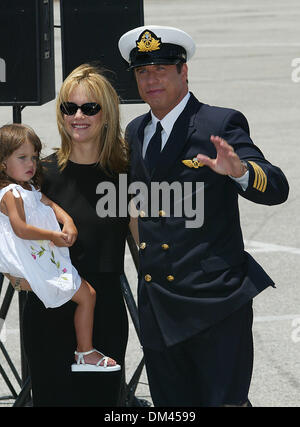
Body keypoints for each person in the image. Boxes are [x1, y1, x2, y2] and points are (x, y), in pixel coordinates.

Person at [118, 25, 289, 406]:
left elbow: (276, 186)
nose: (151, 79)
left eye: (162, 69)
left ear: (184, 72)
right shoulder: (136, 130)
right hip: (159, 303)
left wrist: (240, 172)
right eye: (143, 72)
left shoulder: (217, 123)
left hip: (214, 302)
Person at [8, 64, 130, 406]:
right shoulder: (38, 174)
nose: (78, 115)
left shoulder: (125, 175)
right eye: (69, 107)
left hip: (103, 310)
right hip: (47, 310)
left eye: (90, 108)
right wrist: (17, 278)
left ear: (107, 115)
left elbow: (150, 240)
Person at [0, 123, 120, 373]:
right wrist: (54, 235)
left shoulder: (28, 188)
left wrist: (68, 221)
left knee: (87, 296)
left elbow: (50, 203)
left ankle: (84, 351)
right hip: (34, 262)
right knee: (88, 296)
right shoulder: (11, 193)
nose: (31, 163)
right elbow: (20, 228)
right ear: (2, 164)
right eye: (22, 157)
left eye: (33, 156)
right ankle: (84, 352)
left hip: (44, 258)